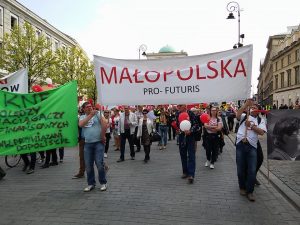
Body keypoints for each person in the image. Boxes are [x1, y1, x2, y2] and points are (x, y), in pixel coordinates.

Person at [236, 100, 267, 202]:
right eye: (252, 107)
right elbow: (237, 115)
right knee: (240, 169)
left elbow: (262, 132)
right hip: (241, 144)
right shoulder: (245, 116)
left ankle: (250, 191)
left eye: (255, 107)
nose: (253, 108)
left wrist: (252, 126)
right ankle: (242, 187)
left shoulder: (260, 120)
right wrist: (245, 104)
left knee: (252, 170)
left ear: (258, 110)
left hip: (252, 146)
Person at [79, 102, 108, 192]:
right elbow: (81, 124)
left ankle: (103, 182)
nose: (90, 108)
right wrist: (91, 115)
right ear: (83, 109)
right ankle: (91, 183)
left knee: (99, 163)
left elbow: (104, 124)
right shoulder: (82, 117)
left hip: (98, 142)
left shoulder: (98, 114)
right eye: (87, 107)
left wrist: (103, 135)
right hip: (88, 144)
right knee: (88, 165)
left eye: (90, 106)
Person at [176, 104, 199, 184]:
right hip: (182, 137)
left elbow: (196, 125)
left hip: (190, 137)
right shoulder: (177, 114)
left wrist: (191, 131)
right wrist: (178, 130)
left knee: (191, 155)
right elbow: (177, 125)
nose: (178, 107)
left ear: (184, 106)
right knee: (183, 155)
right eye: (178, 106)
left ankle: (191, 175)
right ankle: (185, 172)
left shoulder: (191, 113)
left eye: (180, 106)